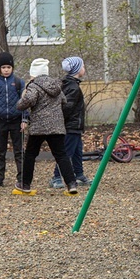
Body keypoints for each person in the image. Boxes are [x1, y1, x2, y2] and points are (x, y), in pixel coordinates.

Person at [14, 58, 77, 196]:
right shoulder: (56, 86)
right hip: (56, 126)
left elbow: (27, 101)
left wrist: (20, 102)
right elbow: (65, 101)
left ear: (34, 73)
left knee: (30, 155)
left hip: (39, 127)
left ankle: (25, 184)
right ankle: (71, 183)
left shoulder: (34, 85)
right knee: (61, 155)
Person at [0, 51, 26, 188]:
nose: (6, 70)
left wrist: (24, 119)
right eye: (3, 67)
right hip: (0, 121)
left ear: (12, 68)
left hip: (16, 120)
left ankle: (22, 177)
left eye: (8, 67)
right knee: (0, 151)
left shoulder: (19, 82)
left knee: (19, 151)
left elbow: (24, 102)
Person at [52, 56, 87, 189]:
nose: (84, 68)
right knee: (67, 152)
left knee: (77, 151)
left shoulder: (70, 84)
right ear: (77, 70)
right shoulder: (73, 87)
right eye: (82, 66)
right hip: (71, 126)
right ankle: (56, 176)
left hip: (75, 126)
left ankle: (79, 174)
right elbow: (67, 107)